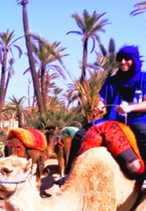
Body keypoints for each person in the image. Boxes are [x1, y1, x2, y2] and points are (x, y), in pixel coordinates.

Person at [63, 46, 146, 183]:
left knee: (144, 135)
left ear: (135, 60)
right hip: (111, 118)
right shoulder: (111, 80)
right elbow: (102, 100)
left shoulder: (144, 78)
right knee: (79, 135)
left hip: (136, 119)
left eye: (127, 59)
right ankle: (68, 174)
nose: (123, 62)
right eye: (120, 59)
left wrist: (130, 108)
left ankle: (144, 177)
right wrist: (99, 107)